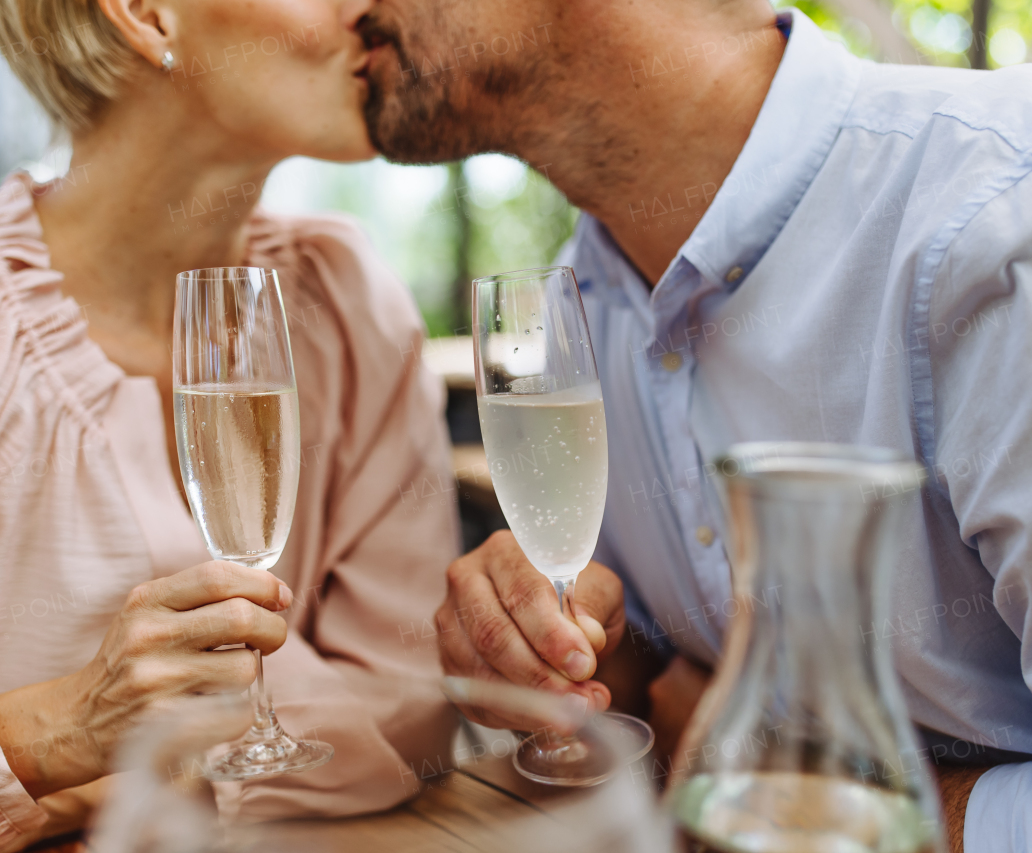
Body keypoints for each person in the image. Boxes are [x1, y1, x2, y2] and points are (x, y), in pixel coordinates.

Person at [0, 0, 460, 848]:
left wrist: (84, 788)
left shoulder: (347, 305)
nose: (375, 6)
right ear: (146, 12)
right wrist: (60, 726)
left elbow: (410, 719)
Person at [356, 0, 1032, 850]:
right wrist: (569, 650)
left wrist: (795, 798)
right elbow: (644, 658)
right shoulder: (590, 293)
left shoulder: (999, 214)